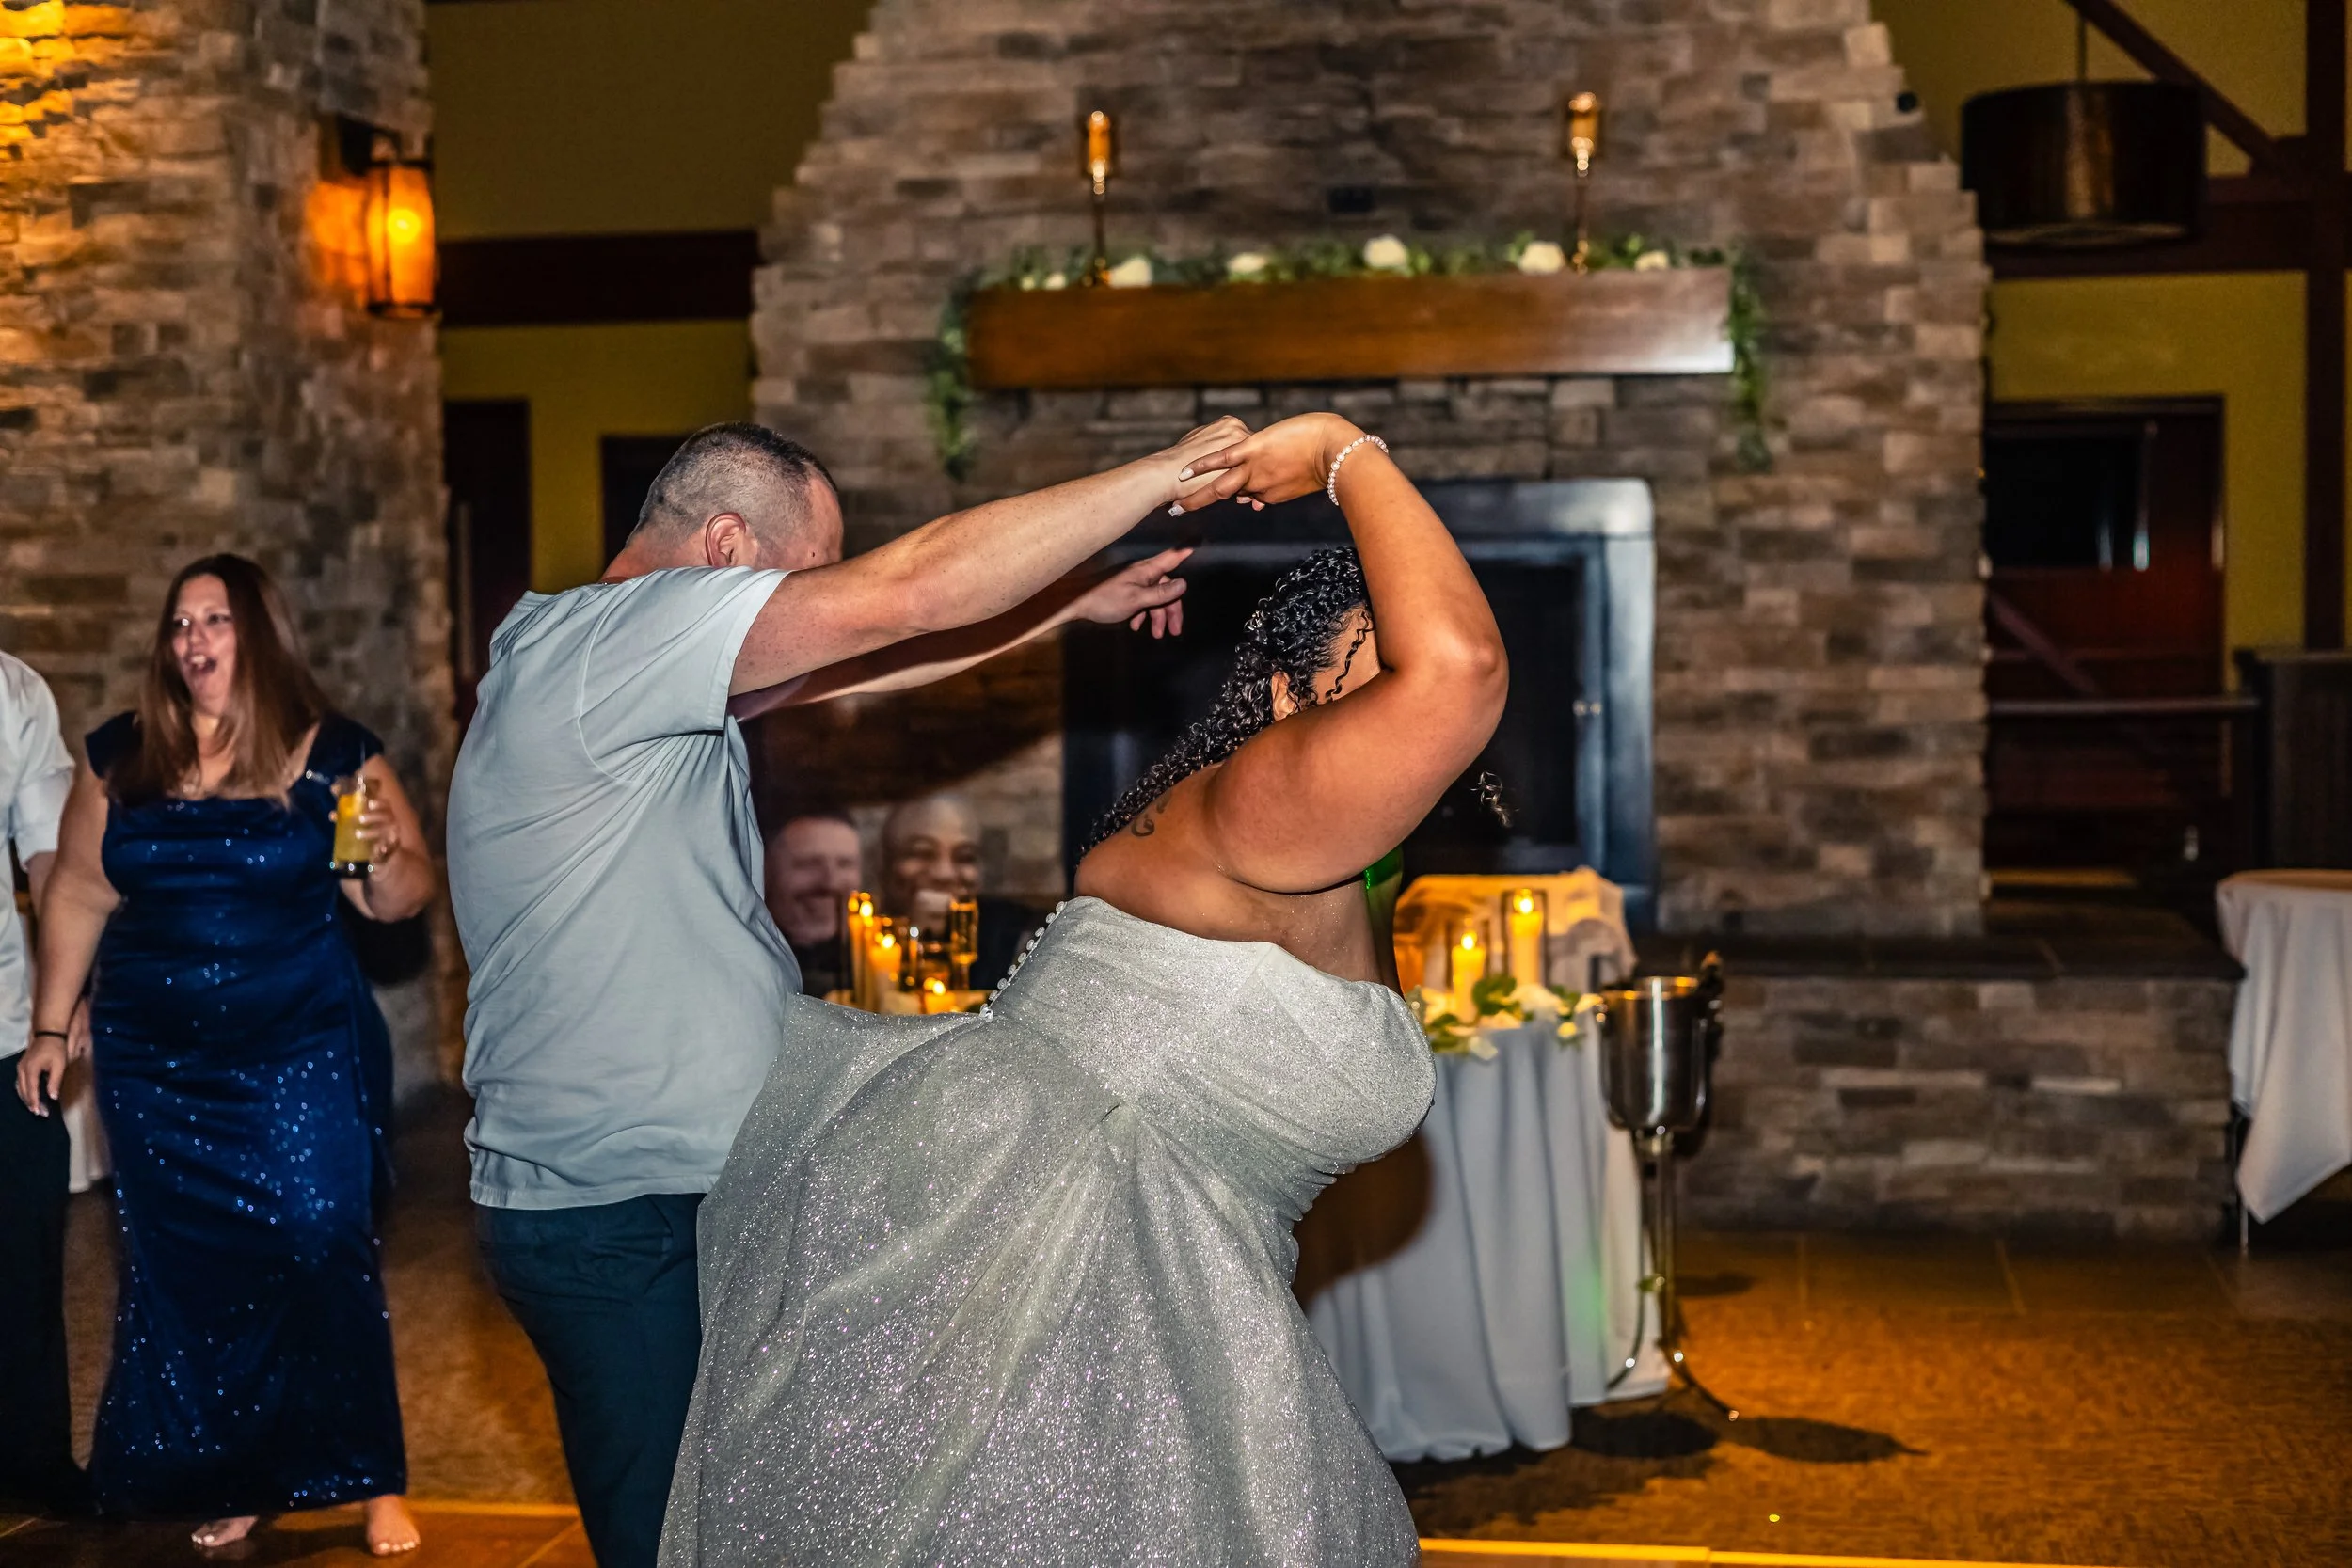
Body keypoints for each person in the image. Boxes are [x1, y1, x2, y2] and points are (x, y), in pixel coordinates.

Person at [659, 412, 1507, 1567]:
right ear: (1279, 694)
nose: (1403, 698)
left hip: (1121, 1234)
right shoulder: (1269, 798)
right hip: (1051, 1254)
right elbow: (1460, 666)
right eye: (1372, 666)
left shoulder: (1321, 858)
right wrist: (1343, 450)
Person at [448, 420, 1235, 1568]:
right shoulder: (602, 643)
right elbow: (906, 594)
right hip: (611, 1212)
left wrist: (1058, 611)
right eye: (803, 579)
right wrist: (1171, 473)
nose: (816, 605)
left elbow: (856, 658)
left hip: (682, 1183)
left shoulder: (617, 667)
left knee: (771, 1509)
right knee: (677, 1540)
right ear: (725, 543)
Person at [15, 555, 435, 1556]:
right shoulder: (125, 754)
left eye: (217, 619)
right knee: (195, 1269)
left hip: (296, 1046)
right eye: (180, 623)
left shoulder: (332, 754)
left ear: (259, 633)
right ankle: (239, 1472)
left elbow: (400, 893)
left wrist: (380, 858)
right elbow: (78, 888)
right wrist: (48, 1020)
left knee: (323, 1242)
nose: (194, 639)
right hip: (157, 1063)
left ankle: (373, 1478)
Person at [0, 650, 80, 1516]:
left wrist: (65, 996)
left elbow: (52, 857)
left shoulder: (13, 690)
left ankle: (32, 1460)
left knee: (23, 1254)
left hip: (2, 1024)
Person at [879, 790, 1042, 992]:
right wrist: (914, 942)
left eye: (965, 857)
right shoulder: (856, 948)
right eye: (922, 853)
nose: (944, 874)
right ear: (885, 867)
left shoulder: (1017, 939)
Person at [763, 810, 865, 996]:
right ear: (767, 872)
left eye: (845, 864)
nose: (831, 882)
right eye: (809, 864)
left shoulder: (879, 974)